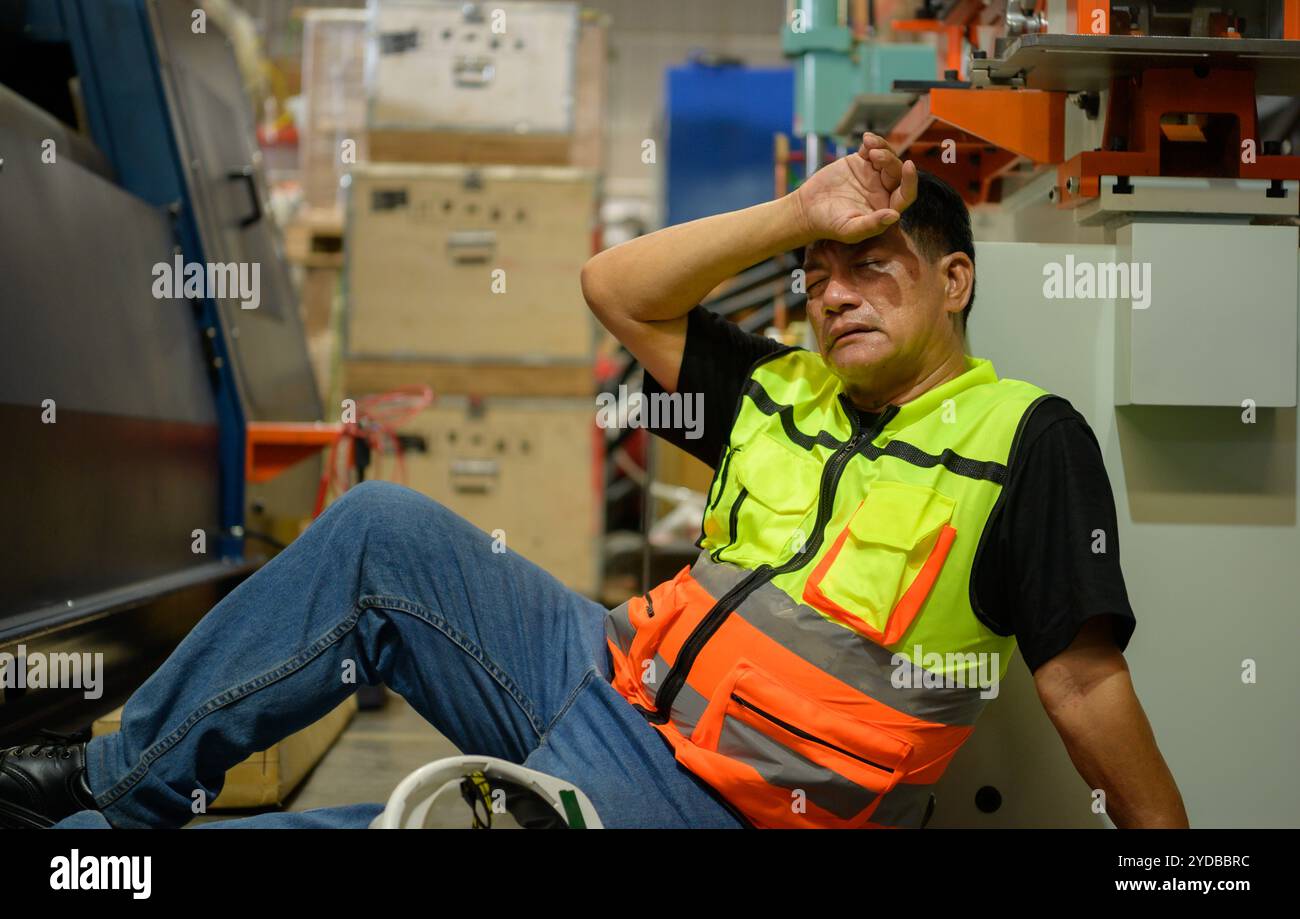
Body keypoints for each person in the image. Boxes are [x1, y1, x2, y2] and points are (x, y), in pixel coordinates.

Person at [0, 134, 1187, 829]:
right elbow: (614, 287)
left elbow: (1085, 688)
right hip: (605, 670)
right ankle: (119, 777)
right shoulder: (784, 389)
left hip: (713, 793)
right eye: (818, 276)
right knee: (379, 529)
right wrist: (794, 212)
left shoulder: (1024, 438)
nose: (834, 295)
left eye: (871, 269)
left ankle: (100, 836)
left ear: (956, 282)